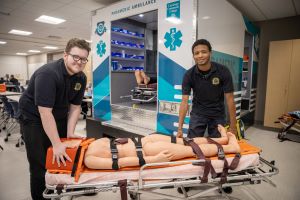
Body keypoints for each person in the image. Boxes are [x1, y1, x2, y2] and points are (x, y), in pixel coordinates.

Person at [18, 38, 90, 200]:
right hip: (33, 117)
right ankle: (41, 196)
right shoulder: (48, 74)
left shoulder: (81, 78)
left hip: (58, 115)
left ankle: (63, 186)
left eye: (84, 59)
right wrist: (56, 144)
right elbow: (44, 113)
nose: (79, 62)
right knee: (40, 163)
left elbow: (75, 107)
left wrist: (70, 133)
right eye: (75, 57)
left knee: (63, 155)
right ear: (65, 55)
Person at [82, 125, 240, 169]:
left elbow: (119, 142)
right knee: (192, 150)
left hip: (146, 141)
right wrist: (154, 160)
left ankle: (222, 140)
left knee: (188, 141)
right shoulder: (90, 160)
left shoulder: (90, 144)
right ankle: (231, 148)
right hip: (147, 151)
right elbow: (121, 162)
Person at [177, 39, 237, 139]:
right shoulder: (189, 75)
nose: (200, 55)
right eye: (196, 53)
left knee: (218, 146)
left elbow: (230, 99)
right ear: (193, 56)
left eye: (204, 52)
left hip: (218, 114)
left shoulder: (223, 71)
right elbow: (184, 102)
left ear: (210, 53)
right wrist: (179, 128)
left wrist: (233, 126)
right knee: (192, 144)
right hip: (198, 114)